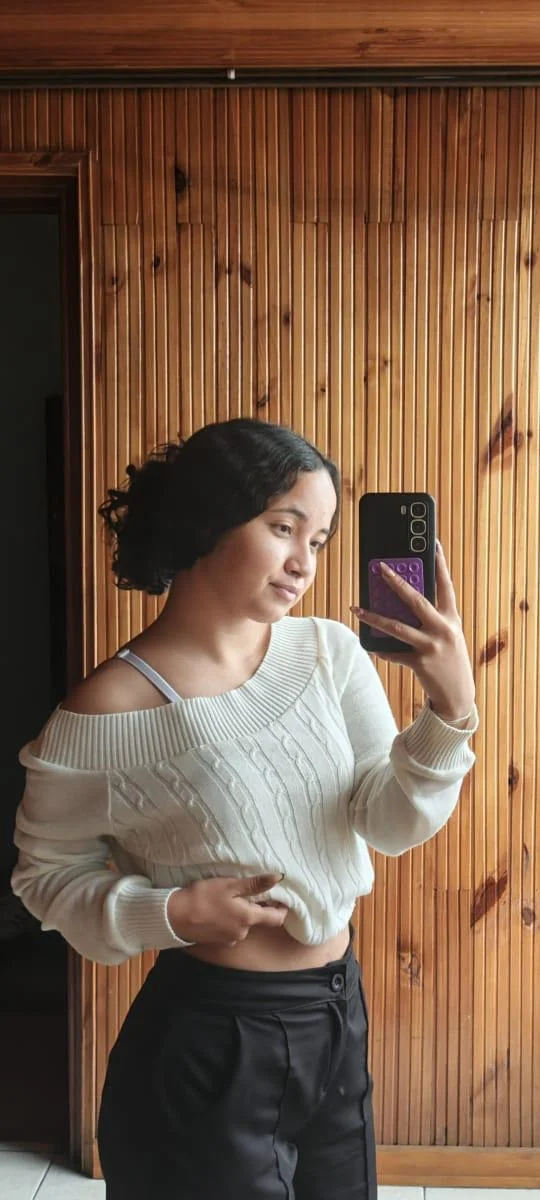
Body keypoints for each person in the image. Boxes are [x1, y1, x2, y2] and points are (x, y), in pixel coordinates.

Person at [11, 418, 478, 1199]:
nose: (304, 563)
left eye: (319, 540)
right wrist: (172, 912)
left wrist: (451, 709)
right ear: (209, 518)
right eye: (283, 528)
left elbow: (390, 823)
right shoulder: (105, 712)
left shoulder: (328, 652)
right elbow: (44, 877)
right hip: (208, 1042)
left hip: (337, 1017)